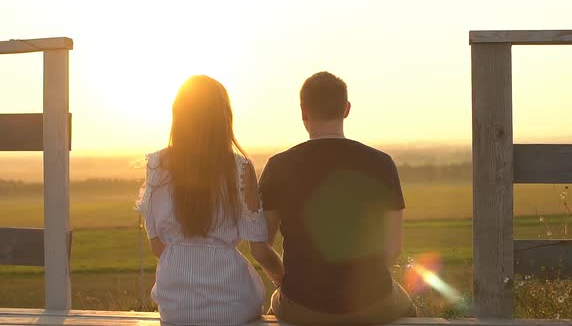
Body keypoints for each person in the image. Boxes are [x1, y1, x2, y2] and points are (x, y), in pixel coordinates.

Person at [260, 72, 417, 324]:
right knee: (409, 308)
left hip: (301, 306)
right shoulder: (381, 164)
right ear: (346, 109)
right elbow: (393, 248)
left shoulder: (278, 166)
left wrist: (283, 281)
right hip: (373, 303)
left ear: (303, 111)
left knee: (276, 304)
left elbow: (260, 244)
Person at [136, 75, 284, 326]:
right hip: (233, 305)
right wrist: (284, 282)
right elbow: (259, 250)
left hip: (175, 309)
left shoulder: (156, 166)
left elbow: (157, 247)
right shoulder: (240, 167)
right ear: (224, 118)